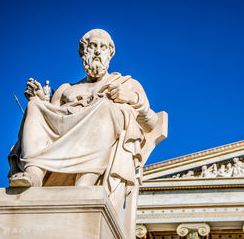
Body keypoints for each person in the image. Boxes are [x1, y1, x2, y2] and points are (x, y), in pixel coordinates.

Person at [8, 29, 163, 237]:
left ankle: (86, 181)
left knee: (106, 107)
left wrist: (131, 99)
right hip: (65, 136)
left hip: (100, 136)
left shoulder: (125, 84)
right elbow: (52, 122)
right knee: (35, 106)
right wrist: (42, 101)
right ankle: (35, 172)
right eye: (92, 47)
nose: (98, 52)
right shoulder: (66, 90)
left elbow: (152, 123)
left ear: (110, 54)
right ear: (83, 53)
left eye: (103, 47)